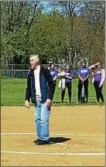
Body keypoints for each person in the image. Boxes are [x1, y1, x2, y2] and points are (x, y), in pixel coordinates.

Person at [25, 54, 54, 145]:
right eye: (30, 60)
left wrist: (49, 98)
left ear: (37, 60)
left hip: (45, 99)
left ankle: (45, 138)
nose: (30, 62)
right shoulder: (31, 73)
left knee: (43, 119)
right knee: (37, 119)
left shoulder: (44, 71)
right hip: (36, 99)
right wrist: (27, 99)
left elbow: (52, 84)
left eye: (32, 60)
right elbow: (28, 87)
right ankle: (40, 137)